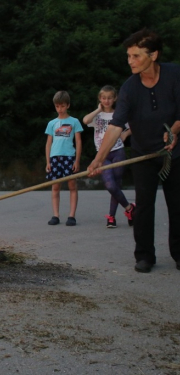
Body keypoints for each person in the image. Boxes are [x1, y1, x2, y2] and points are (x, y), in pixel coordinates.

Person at [87, 28, 180, 273]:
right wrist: (98, 159)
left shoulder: (175, 75)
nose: (131, 61)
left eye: (136, 56)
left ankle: (179, 253)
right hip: (143, 154)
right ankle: (145, 256)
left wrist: (175, 130)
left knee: (177, 204)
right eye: (129, 56)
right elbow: (116, 126)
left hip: (174, 153)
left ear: (154, 54)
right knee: (145, 205)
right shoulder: (129, 88)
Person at [83, 85, 135, 228]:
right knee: (110, 185)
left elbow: (133, 124)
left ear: (115, 98)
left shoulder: (119, 114)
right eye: (104, 98)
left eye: (110, 98)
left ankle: (111, 217)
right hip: (102, 155)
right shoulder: (97, 115)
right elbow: (86, 120)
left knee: (116, 184)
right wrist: (99, 109)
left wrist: (125, 133)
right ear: (100, 99)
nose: (107, 101)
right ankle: (130, 208)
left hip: (118, 151)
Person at [45, 91, 83, 226]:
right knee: (55, 187)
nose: (59, 109)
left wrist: (77, 160)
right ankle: (56, 215)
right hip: (55, 158)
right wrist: (48, 161)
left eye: (62, 106)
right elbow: (49, 143)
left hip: (69, 157)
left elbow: (78, 142)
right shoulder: (52, 123)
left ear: (68, 105)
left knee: (72, 185)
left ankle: (71, 215)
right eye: (57, 106)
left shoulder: (74, 122)